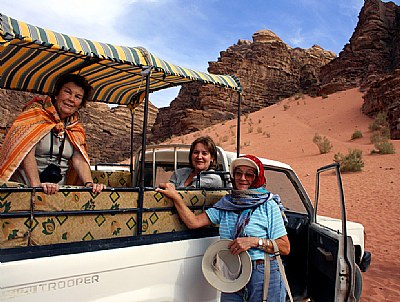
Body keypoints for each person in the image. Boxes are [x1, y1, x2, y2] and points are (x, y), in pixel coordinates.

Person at [157, 154, 290, 302]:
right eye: (238, 173)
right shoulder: (226, 204)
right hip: (231, 272)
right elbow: (193, 222)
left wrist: (254, 242)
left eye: (249, 175)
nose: (242, 178)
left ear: (257, 178)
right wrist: (176, 197)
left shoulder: (268, 205)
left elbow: (285, 247)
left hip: (262, 272)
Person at [0, 73, 106, 194]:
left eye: (77, 97)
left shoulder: (75, 129)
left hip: (57, 193)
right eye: (67, 92)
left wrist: (89, 184)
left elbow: (79, 159)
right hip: (27, 189)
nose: (71, 99)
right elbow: (25, 150)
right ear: (56, 93)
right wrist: (37, 185)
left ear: (80, 104)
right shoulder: (34, 116)